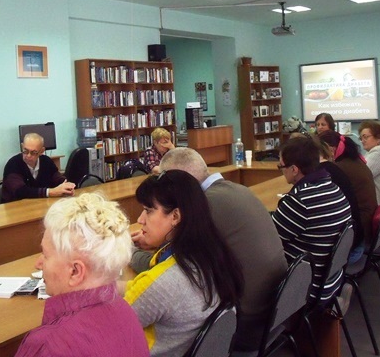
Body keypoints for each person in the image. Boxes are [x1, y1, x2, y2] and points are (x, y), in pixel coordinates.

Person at [132, 147, 286, 352]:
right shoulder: (237, 188)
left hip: (246, 324)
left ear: (182, 182)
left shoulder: (204, 209)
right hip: (278, 308)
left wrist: (133, 252)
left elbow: (167, 270)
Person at [123, 170, 244, 356]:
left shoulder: (162, 283)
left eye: (148, 210)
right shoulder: (210, 253)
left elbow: (110, 327)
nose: (140, 220)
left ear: (175, 216)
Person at [15, 193, 149, 357]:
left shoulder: (48, 346)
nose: (38, 263)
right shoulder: (125, 312)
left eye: (46, 255)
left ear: (75, 272)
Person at [272, 137, 351, 303]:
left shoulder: (300, 201)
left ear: (294, 169)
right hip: (331, 280)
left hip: (307, 288)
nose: (281, 170)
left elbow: (269, 241)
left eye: (281, 166)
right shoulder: (334, 189)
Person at [319, 130, 377, 244]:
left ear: (331, 150)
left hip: (359, 227)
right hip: (367, 219)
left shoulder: (338, 168)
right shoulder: (355, 161)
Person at [2, 133, 75, 203]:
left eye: (33, 152)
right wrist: (50, 192)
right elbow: (20, 191)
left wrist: (66, 185)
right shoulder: (13, 164)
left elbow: (57, 178)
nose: (28, 155)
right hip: (15, 207)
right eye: (25, 151)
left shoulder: (46, 161)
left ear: (41, 151)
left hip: (41, 204)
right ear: (22, 146)